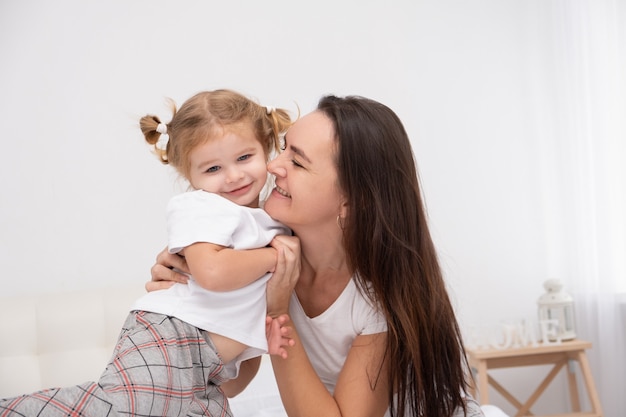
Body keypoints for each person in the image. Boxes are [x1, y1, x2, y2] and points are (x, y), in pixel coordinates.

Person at [149, 94, 485, 416]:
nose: (273, 165)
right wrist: (190, 292)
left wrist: (279, 311)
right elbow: (232, 385)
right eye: (282, 148)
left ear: (350, 201)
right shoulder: (257, 255)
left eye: (296, 161)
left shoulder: (376, 300)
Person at [0, 89, 295, 417]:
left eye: (244, 158)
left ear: (267, 147)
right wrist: (275, 258)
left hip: (207, 366)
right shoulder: (201, 207)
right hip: (172, 335)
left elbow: (233, 385)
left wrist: (258, 344)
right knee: (119, 409)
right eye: (213, 169)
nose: (234, 175)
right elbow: (212, 273)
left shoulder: (274, 225)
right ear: (189, 175)